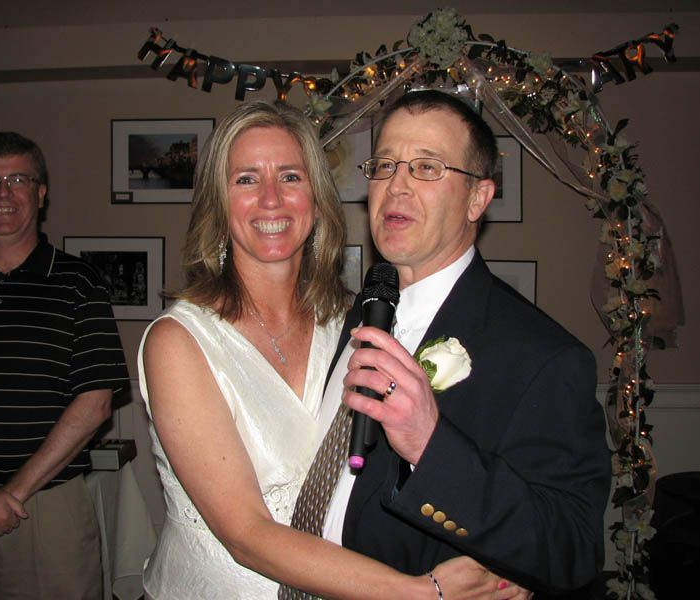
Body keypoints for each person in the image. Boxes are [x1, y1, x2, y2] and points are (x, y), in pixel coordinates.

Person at [138, 100, 529, 599]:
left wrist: (500, 563)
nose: (272, 200)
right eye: (246, 180)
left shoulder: (354, 324)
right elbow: (246, 535)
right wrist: (422, 593)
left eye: (290, 177)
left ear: (318, 198)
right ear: (218, 203)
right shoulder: (179, 342)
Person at [305, 90, 611, 597]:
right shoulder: (343, 317)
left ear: (477, 198)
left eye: (427, 168)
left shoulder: (545, 358)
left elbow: (572, 550)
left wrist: (432, 446)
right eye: (385, 165)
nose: (396, 186)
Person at [0, 132, 129, 598]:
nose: (4, 192)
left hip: (45, 510)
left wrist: (12, 495)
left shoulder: (80, 283)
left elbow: (95, 403)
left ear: (40, 193)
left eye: (18, 179)